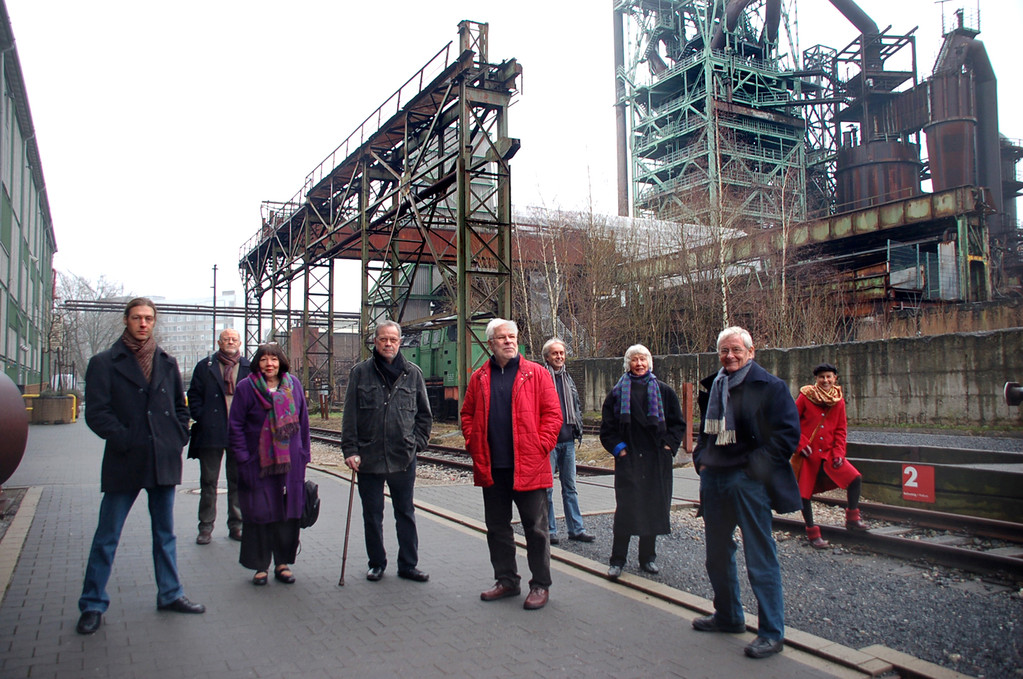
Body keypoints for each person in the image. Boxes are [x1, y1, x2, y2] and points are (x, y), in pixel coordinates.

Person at [76, 298, 205, 636]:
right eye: (137, 318)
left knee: (165, 534)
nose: (143, 324)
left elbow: (181, 407)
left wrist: (177, 435)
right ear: (126, 320)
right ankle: (92, 604)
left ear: (154, 321)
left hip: (163, 459)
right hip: (125, 460)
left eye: (148, 318)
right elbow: (97, 414)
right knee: (108, 535)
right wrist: (127, 439)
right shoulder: (104, 363)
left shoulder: (166, 362)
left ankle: (170, 593)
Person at [692, 326, 801, 659]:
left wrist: (753, 468)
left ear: (751, 352)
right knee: (716, 555)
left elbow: (787, 436)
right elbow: (705, 432)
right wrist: (701, 459)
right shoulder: (714, 386)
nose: (730, 356)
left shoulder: (771, 387)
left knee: (759, 556)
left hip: (748, 482)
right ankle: (729, 616)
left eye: (737, 350)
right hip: (715, 480)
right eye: (725, 350)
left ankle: (771, 632)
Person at [461, 318, 562, 610]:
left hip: (529, 466)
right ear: (491, 343)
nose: (509, 341)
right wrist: (473, 441)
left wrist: (540, 446)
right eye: (502, 337)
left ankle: (540, 585)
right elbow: (467, 414)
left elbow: (553, 415)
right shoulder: (479, 377)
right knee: (497, 527)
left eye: (512, 336)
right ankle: (506, 580)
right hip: (493, 467)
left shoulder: (536, 374)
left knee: (536, 529)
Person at [342, 320, 433, 583]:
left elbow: (424, 416)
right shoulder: (360, 373)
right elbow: (350, 416)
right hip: (368, 457)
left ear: (400, 341)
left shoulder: (413, 373)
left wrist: (415, 444)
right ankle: (376, 563)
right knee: (372, 514)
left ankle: (408, 564)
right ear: (375, 341)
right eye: (383, 339)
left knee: (405, 512)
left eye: (393, 339)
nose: (388, 344)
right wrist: (350, 449)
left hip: (403, 457)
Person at [228, 343, 311, 586]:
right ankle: (260, 566)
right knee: (259, 512)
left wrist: (303, 454)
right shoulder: (246, 388)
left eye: (274, 359)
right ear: (257, 363)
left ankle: (283, 563)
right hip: (258, 462)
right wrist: (243, 458)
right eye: (264, 359)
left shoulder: (293, 385)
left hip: (290, 463)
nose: (269, 364)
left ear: (281, 362)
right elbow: (236, 426)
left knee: (287, 513)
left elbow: (303, 422)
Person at [599, 344, 684, 579]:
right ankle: (617, 560)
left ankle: (648, 558)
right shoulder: (617, 393)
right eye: (634, 360)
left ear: (649, 363)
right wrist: (620, 451)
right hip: (630, 460)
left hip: (657, 460)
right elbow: (607, 430)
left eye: (643, 359)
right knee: (625, 510)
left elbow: (678, 424)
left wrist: (668, 446)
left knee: (652, 508)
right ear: (628, 364)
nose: (639, 364)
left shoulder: (664, 391)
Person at [187, 328, 249, 544]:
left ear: (239, 342)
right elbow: (193, 394)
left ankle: (237, 525)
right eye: (226, 339)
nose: (230, 342)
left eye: (234, 339)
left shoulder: (249, 367)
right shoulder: (206, 367)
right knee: (208, 482)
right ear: (219, 342)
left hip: (240, 433)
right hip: (211, 432)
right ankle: (205, 527)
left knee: (238, 481)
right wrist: (202, 416)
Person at [794, 362, 866, 548]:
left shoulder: (839, 400)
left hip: (828, 454)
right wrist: (801, 444)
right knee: (804, 495)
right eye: (821, 377)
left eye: (828, 377)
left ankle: (852, 518)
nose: (825, 380)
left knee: (854, 478)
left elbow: (841, 429)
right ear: (816, 380)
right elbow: (790, 422)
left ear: (835, 378)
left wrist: (839, 453)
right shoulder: (805, 396)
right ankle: (812, 533)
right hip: (808, 455)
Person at [541, 338, 595, 545]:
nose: (559, 357)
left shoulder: (569, 379)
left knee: (570, 487)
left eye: (561, 353)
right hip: (549, 443)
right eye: (555, 353)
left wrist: (577, 430)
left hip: (568, 441)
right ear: (547, 357)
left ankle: (576, 529)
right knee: (547, 489)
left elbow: (576, 406)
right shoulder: (541, 378)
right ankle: (550, 530)